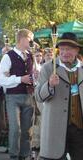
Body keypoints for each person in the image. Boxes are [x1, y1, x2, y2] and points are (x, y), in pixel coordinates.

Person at [35, 32, 83, 160]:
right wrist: (49, 85)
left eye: (68, 49)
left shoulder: (82, 68)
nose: (64, 52)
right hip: (55, 127)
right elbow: (38, 96)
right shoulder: (48, 68)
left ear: (76, 50)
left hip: (79, 129)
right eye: (62, 49)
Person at [0, 29, 35, 159]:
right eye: (30, 39)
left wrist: (35, 78)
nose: (31, 42)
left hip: (28, 96)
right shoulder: (8, 56)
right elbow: (1, 79)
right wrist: (20, 79)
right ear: (22, 39)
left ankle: (24, 155)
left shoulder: (31, 55)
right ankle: (14, 155)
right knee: (15, 128)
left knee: (27, 129)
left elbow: (33, 74)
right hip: (13, 97)